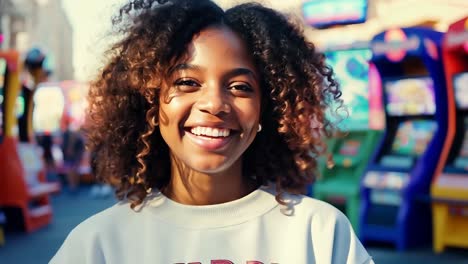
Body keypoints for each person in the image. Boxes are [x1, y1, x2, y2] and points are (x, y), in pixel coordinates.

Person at [50, 0, 373, 263]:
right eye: (187, 82)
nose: (215, 103)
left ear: (267, 108)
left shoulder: (320, 232)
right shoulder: (98, 244)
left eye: (240, 86)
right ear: (148, 101)